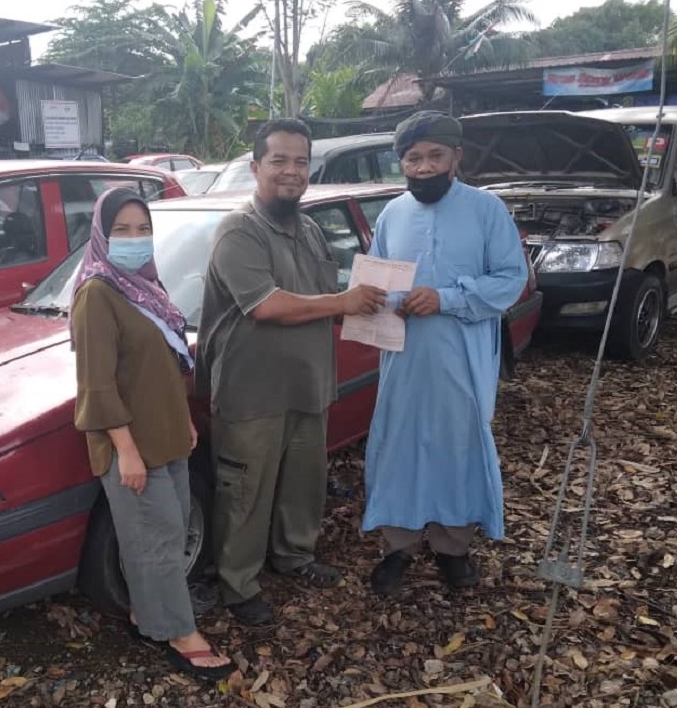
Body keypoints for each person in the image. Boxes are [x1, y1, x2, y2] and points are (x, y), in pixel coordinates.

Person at [196, 118, 387, 626]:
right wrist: (342, 300)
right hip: (250, 391)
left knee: (304, 481)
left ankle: (295, 556)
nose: (291, 170)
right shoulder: (239, 229)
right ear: (255, 167)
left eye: (300, 161)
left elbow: (325, 303)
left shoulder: (309, 228)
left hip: (308, 382)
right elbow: (266, 306)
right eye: (278, 160)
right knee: (246, 491)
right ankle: (239, 584)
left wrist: (375, 307)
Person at [363, 111, 528, 595]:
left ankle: (453, 548)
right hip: (403, 361)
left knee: (458, 447)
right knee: (400, 446)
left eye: (435, 155)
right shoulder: (392, 214)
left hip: (461, 360)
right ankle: (399, 546)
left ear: (457, 157)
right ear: (402, 164)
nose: (424, 166)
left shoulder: (487, 210)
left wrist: (446, 297)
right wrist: (383, 300)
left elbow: (510, 281)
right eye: (413, 158)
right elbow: (376, 281)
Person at [71, 187, 233, 682]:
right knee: (156, 542)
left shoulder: (145, 287)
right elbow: (97, 385)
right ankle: (179, 633)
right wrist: (127, 453)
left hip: (165, 433)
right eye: (122, 230)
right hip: (129, 444)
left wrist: (182, 419)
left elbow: (164, 365)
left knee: (171, 526)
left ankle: (147, 612)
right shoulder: (97, 294)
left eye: (143, 230)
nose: (135, 239)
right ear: (102, 235)